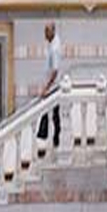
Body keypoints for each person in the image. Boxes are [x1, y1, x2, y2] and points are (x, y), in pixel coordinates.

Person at [39, 21, 64, 150]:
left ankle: (48, 136)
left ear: (52, 31)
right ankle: (51, 136)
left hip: (53, 86)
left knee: (49, 111)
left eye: (47, 31)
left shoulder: (54, 48)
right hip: (52, 84)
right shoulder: (53, 43)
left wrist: (46, 88)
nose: (45, 34)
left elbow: (55, 71)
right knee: (54, 113)